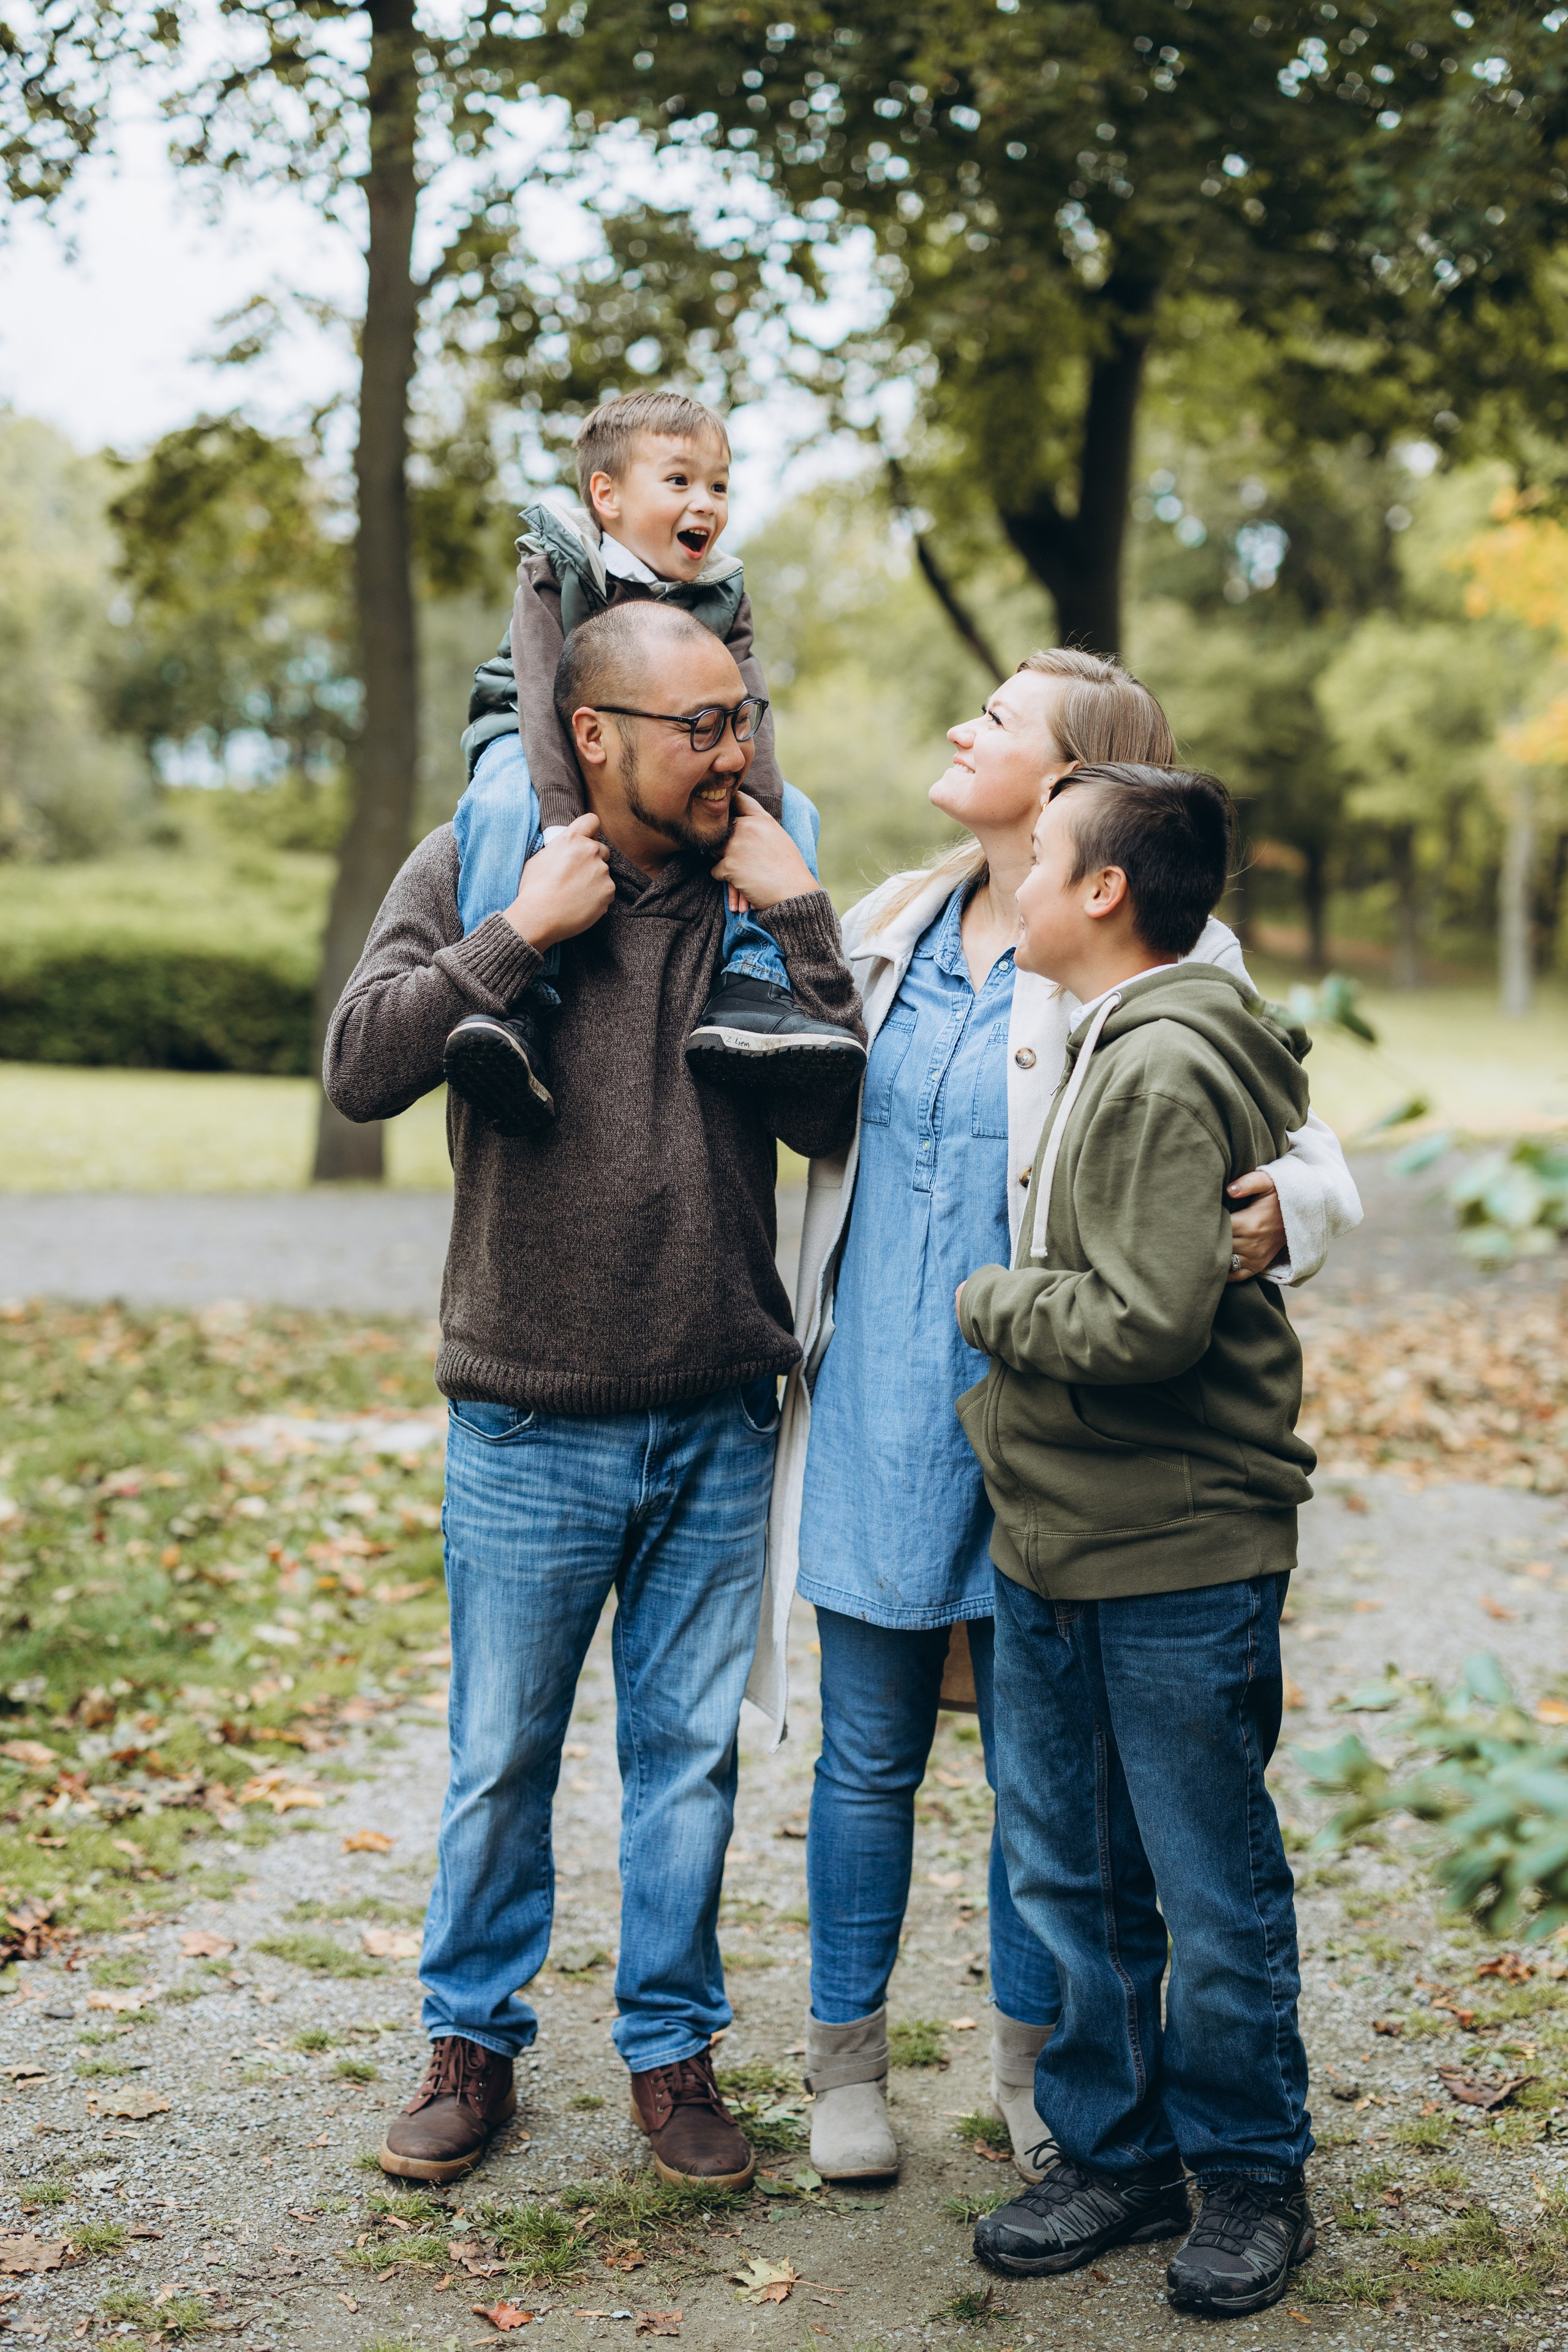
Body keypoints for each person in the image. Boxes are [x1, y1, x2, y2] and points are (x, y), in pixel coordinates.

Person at [749, 651, 1360, 2187]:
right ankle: (845, 2066)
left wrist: (1285, 1206)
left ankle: (1047, 2078)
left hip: (1046, 1415)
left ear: (1079, 775)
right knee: (864, 1754)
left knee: (1052, 1790)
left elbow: (1295, 1130)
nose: (965, 727)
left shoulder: (1159, 946)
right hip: (883, 1392)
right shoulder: (893, 915)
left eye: (1001, 717)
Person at [323, 599, 865, 2188]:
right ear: (593, 733)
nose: (739, 750)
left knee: (687, 1757)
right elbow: (358, 1066)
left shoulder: (755, 887)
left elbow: (836, 1116)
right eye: (702, 725)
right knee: (502, 1752)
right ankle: (469, 2046)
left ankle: (673, 2055)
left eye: (745, 715)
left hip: (714, 1409)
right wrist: (520, 934)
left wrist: (811, 915)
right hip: (526, 1413)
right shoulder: (488, 857)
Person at [956, 763, 1319, 2318]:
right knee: (1073, 1872)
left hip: (1173, 1544)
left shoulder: (1164, 1062)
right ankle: (1110, 2149)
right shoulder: (1104, 1033)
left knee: (1205, 1879)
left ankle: (1247, 2171)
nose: (1014, 880)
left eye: (1038, 858)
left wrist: (985, 1300)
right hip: (1052, 1530)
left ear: (1102, 891)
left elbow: (1146, 1321)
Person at [443, 388, 863, 1136]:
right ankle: (512, 1008)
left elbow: (750, 710)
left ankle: (752, 985)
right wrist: (563, 825)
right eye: (679, 481)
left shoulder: (720, 589)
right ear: (605, 495)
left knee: (795, 811)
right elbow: (545, 697)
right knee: (503, 804)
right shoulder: (557, 565)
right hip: (532, 733)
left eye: (719, 484)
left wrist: (754, 817)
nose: (705, 502)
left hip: (666, 764)